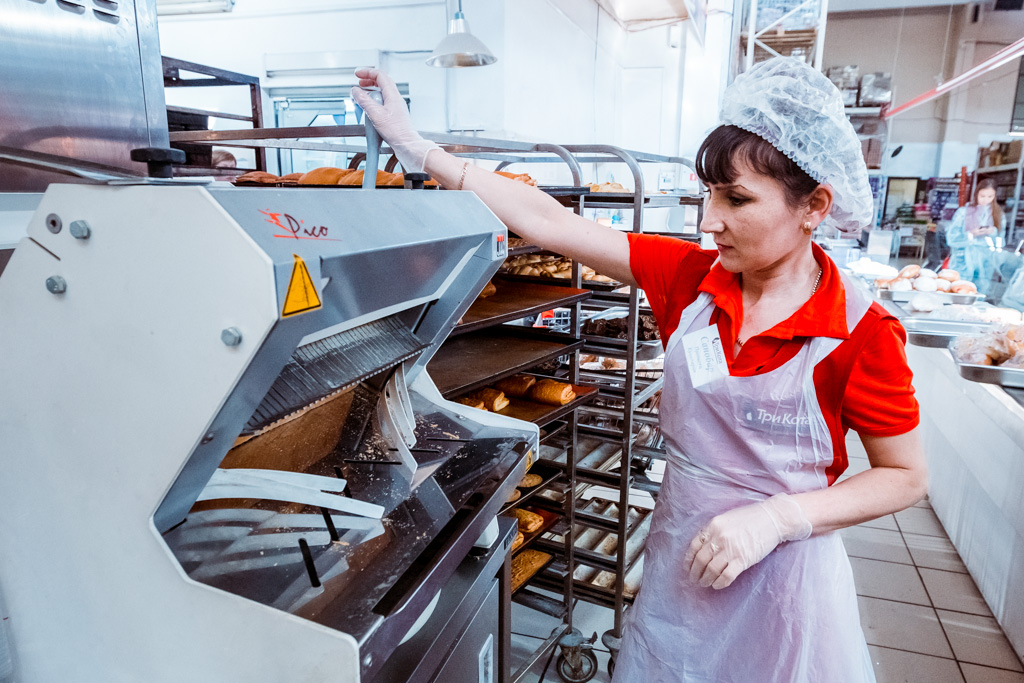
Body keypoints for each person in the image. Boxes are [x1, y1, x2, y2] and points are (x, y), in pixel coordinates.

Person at [352, 57, 927, 683]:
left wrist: (777, 518)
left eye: (737, 199)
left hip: (784, 581)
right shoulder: (691, 281)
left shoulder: (860, 332)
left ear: (814, 205)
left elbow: (904, 477)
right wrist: (420, 149)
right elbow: (549, 220)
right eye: (710, 194)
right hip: (681, 561)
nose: (709, 221)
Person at [946, 179, 1005, 294]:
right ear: (976, 193)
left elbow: (1001, 243)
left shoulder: (998, 215)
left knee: (980, 294)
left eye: (990, 196)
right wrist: (970, 234)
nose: (986, 200)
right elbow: (951, 238)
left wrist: (993, 232)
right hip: (963, 261)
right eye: (982, 196)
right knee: (958, 291)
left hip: (986, 262)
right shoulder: (963, 213)